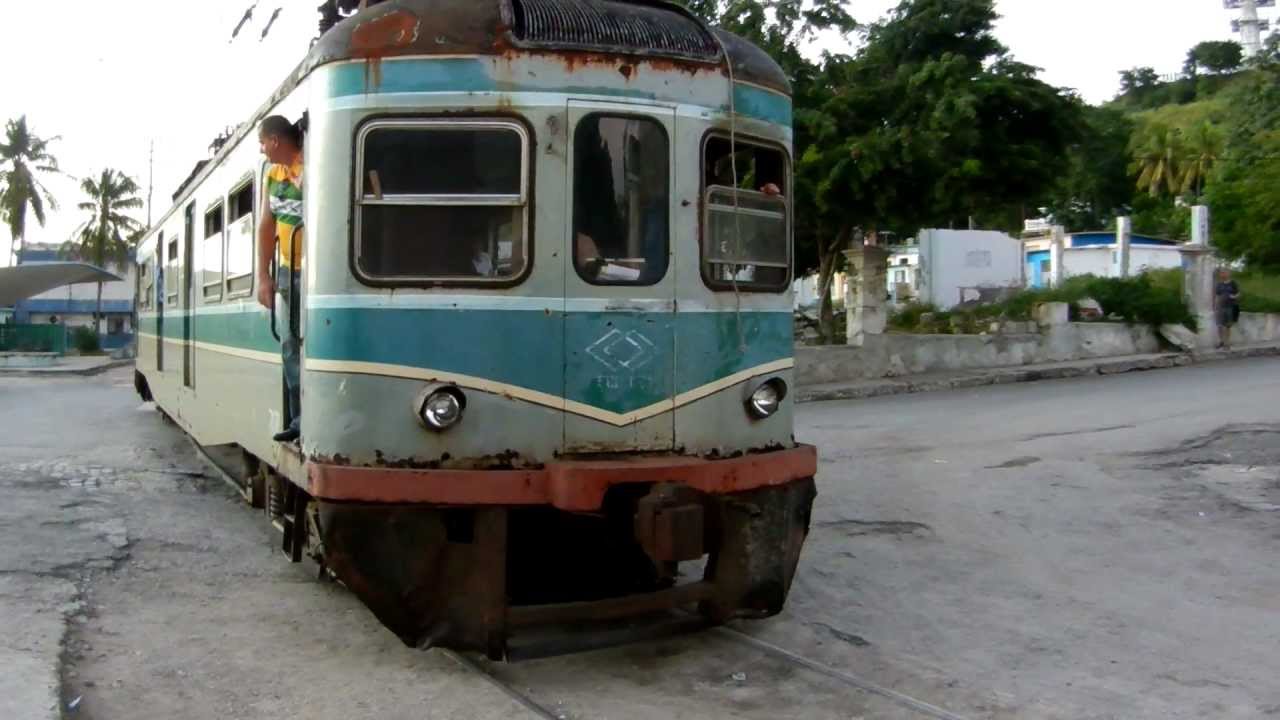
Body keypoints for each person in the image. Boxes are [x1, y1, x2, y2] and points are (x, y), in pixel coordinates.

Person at [256, 115, 305, 442]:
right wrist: (263, 275)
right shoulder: (272, 174)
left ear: (275, 139)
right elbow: (266, 226)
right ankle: (300, 420)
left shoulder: (312, 164)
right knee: (289, 344)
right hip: (288, 270)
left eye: (262, 143)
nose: (262, 150)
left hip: (319, 273)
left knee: (314, 345)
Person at [1214, 267, 1241, 350]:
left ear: (1229, 274)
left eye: (1225, 272)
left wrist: (1234, 296)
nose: (1223, 274)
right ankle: (1221, 342)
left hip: (1230, 307)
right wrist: (1215, 306)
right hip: (1220, 307)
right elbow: (1217, 295)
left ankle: (1227, 343)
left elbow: (1238, 293)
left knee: (1228, 326)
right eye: (1221, 273)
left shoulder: (1233, 283)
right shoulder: (1219, 284)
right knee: (1219, 325)